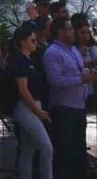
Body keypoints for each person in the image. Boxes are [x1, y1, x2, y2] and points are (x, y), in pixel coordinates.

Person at [42, 17, 96, 178]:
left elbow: (79, 72)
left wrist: (88, 74)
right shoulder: (52, 53)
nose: (73, 32)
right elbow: (55, 81)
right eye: (69, 29)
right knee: (66, 151)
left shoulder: (73, 51)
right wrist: (82, 79)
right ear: (59, 32)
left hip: (79, 106)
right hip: (64, 108)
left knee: (79, 149)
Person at [8, 23, 52, 179]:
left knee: (28, 150)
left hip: (33, 106)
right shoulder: (21, 61)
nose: (35, 43)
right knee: (46, 148)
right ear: (23, 42)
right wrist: (38, 112)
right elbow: (23, 90)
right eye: (32, 41)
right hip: (27, 108)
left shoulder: (29, 60)